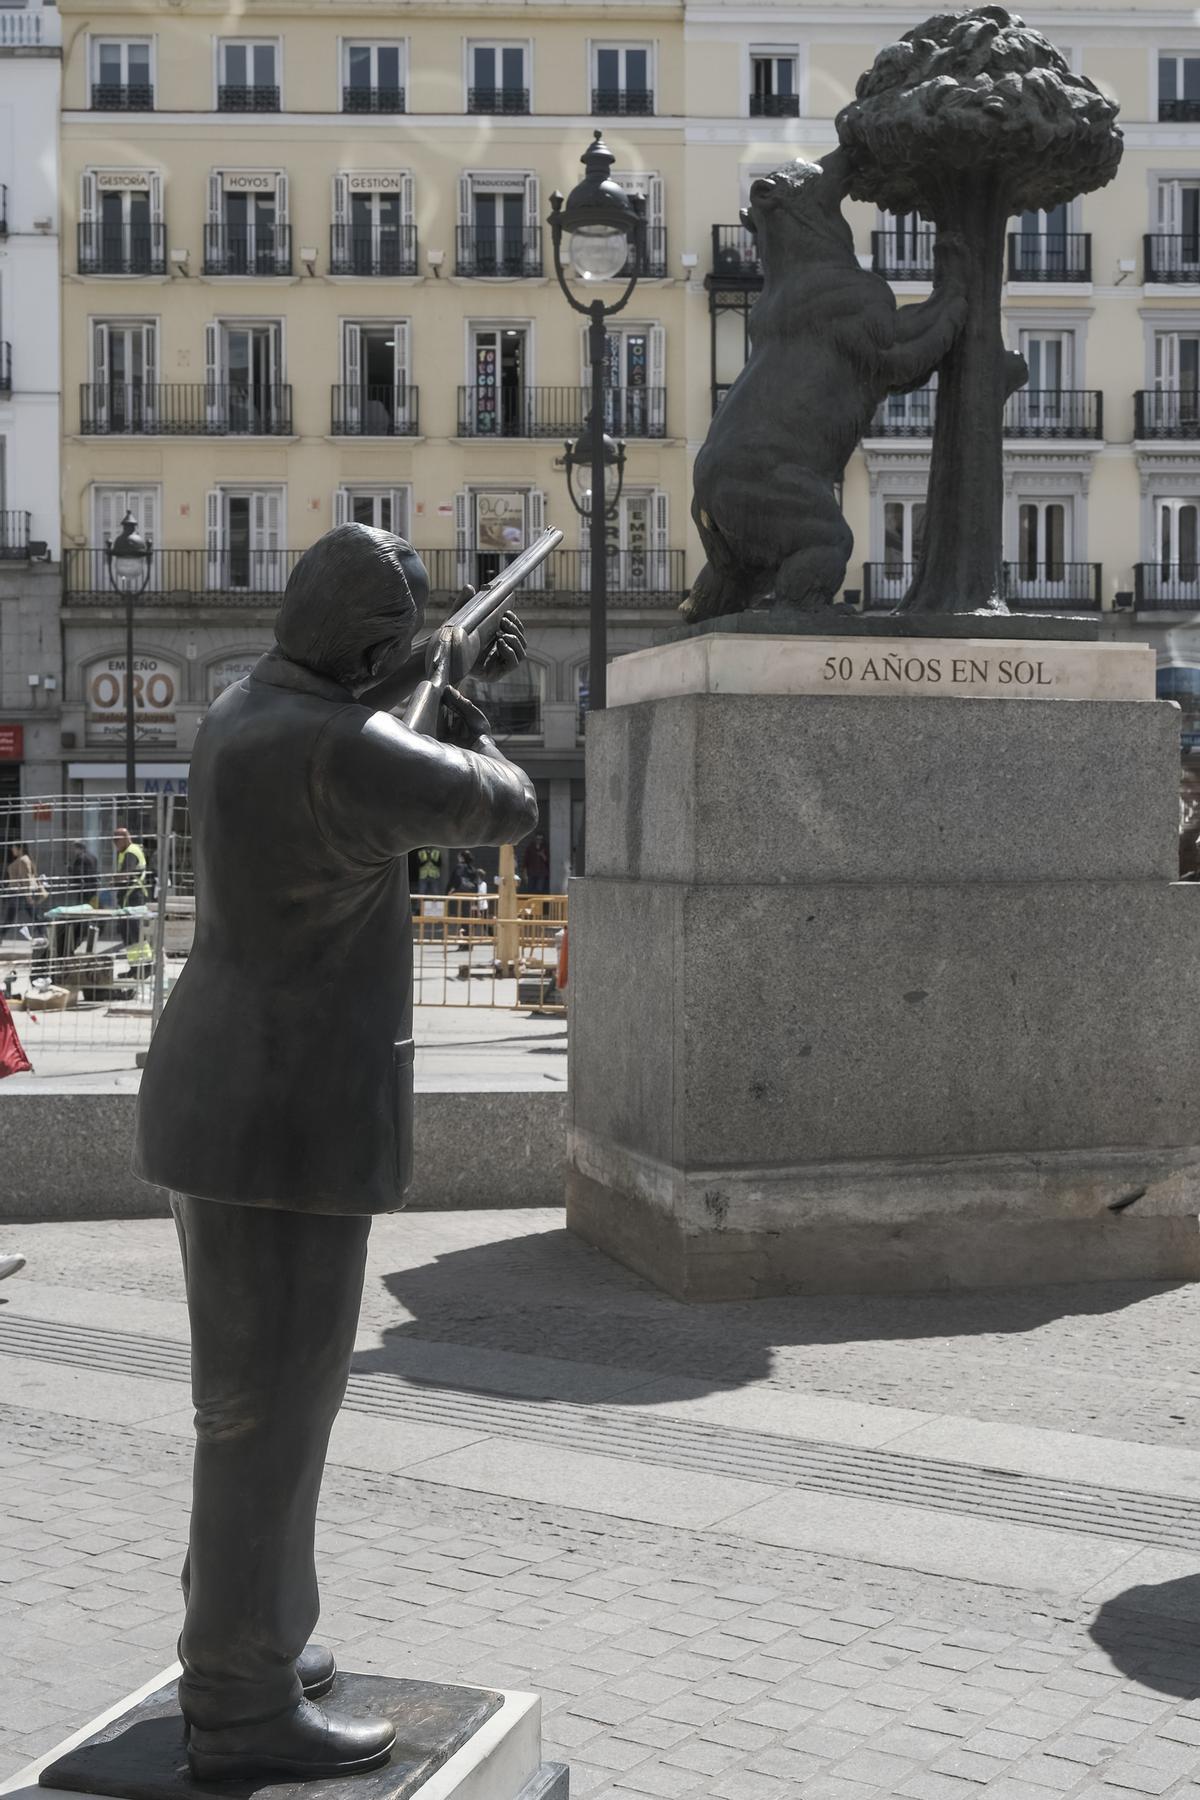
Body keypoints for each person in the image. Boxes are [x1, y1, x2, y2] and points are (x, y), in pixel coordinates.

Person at [133, 523, 535, 1782]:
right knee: (272, 1415)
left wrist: (423, 685)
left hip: (216, 1099)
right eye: (396, 645)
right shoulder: (344, 746)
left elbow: (377, 758)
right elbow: (506, 808)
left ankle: (250, 1638)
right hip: (289, 1123)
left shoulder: (245, 707)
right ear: (368, 651)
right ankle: (242, 1701)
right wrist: (457, 695)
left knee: (247, 1409)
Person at [112, 825, 150, 947]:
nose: (115, 843)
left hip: (133, 896)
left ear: (125, 838)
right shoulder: (124, 852)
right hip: (128, 896)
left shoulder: (131, 852)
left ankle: (144, 964)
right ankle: (134, 965)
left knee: (134, 931)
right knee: (126, 932)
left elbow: (125, 874)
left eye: (116, 840)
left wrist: (114, 880)